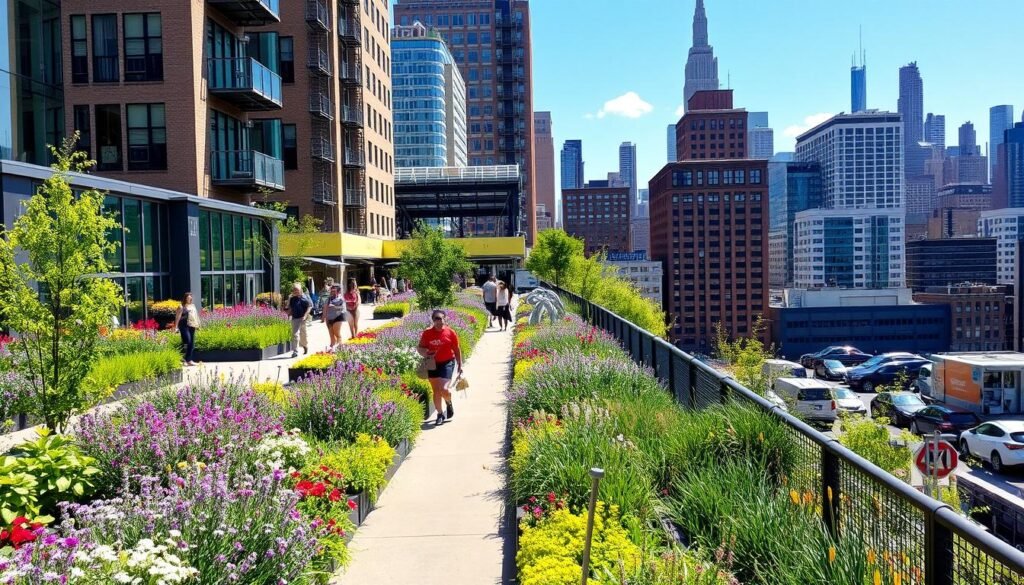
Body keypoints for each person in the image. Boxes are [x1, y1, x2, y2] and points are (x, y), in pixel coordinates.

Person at [418, 309, 463, 426]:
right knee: (436, 390)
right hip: (432, 364)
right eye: (437, 319)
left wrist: (460, 364)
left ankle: (448, 402)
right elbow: (420, 348)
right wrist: (426, 353)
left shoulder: (450, 332)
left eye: (441, 318)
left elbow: (457, 349)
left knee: (444, 388)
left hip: (447, 362)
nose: (440, 321)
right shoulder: (427, 333)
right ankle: (440, 414)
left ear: (445, 319)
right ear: (433, 320)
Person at [174, 292, 200, 366]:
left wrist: (198, 324)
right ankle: (183, 360)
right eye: (188, 298)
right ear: (185, 298)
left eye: (191, 298)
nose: (190, 299)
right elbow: (177, 317)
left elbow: (196, 316)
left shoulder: (193, 306)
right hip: (184, 326)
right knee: (187, 341)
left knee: (192, 343)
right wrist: (176, 327)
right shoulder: (181, 306)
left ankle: (189, 360)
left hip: (192, 326)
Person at [287, 283, 312, 358]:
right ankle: (295, 351)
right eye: (294, 290)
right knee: (295, 334)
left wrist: (305, 316)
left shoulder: (304, 298)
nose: (295, 291)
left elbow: (309, 307)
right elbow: (291, 308)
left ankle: (304, 345)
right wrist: (288, 315)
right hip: (295, 318)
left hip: (302, 318)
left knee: (303, 334)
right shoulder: (292, 299)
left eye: (297, 290)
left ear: (300, 290)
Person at [322, 285, 346, 350]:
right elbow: (325, 308)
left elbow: (343, 308)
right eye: (331, 290)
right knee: (331, 334)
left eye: (334, 291)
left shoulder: (341, 299)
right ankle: (332, 347)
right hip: (329, 318)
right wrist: (323, 317)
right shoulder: (328, 299)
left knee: (337, 333)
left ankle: (340, 347)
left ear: (338, 291)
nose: (332, 292)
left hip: (338, 317)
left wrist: (334, 307)